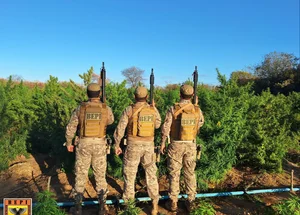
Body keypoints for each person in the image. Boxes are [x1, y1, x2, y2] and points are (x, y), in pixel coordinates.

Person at [65, 83, 114, 215]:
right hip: (100, 144)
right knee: (100, 176)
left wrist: (69, 142)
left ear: (87, 93)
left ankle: (77, 208)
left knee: (80, 175)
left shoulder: (80, 108)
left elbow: (71, 127)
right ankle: (103, 206)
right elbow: (110, 121)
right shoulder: (106, 108)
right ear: (99, 94)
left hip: (83, 144)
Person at [114, 86, 161, 215]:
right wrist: (153, 107)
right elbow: (157, 124)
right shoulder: (152, 110)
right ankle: (155, 205)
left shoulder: (129, 109)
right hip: (149, 146)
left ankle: (130, 206)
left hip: (132, 145)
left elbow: (120, 129)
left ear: (134, 97)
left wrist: (117, 144)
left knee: (130, 175)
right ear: (146, 97)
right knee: (151, 174)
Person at [160, 84, 204, 213]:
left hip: (175, 144)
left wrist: (163, 142)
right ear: (192, 96)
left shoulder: (173, 108)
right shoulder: (197, 110)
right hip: (190, 144)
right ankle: (191, 201)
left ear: (180, 94)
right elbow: (200, 123)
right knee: (190, 173)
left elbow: (166, 127)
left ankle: (173, 202)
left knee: (174, 174)